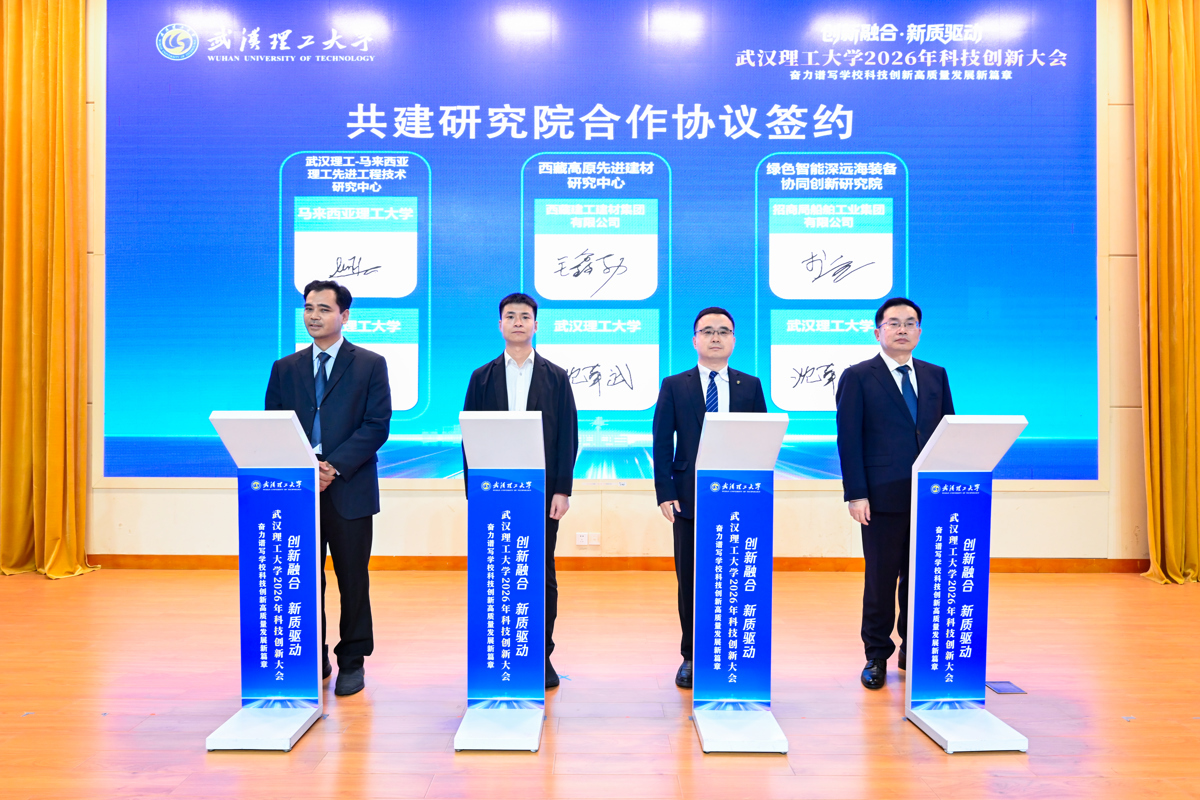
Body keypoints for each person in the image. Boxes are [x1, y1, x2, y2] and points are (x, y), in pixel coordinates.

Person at [265, 280, 391, 697]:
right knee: (301, 577)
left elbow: (376, 425)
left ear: (344, 315)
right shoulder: (285, 368)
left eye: (323, 308)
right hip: (299, 490)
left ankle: (352, 661)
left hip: (349, 487)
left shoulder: (370, 364)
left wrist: (332, 466)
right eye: (308, 308)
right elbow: (275, 426)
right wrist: (305, 467)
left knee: (352, 579)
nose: (313, 315)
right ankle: (311, 656)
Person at [835, 297, 954, 690]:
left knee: (921, 579)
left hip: (928, 496)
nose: (902, 329)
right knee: (881, 579)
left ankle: (913, 649)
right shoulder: (858, 376)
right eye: (893, 323)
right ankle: (876, 655)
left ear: (919, 330)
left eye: (910, 322)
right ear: (878, 331)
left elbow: (948, 432)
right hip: (881, 496)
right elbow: (848, 439)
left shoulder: (936, 375)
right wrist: (856, 493)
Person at [463, 292, 579, 689]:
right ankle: (499, 651)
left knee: (540, 573)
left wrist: (561, 490)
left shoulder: (556, 376)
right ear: (500, 325)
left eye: (524, 316)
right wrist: (474, 491)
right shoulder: (481, 377)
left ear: (535, 325)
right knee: (495, 570)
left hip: (541, 493)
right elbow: (469, 436)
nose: (517, 322)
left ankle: (540, 654)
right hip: (492, 491)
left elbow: (567, 436)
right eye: (510, 316)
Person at [651, 307, 767, 689]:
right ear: (695, 339)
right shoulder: (674, 385)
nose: (716, 337)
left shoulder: (751, 386)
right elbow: (661, 441)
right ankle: (691, 655)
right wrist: (665, 492)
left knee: (737, 576)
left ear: (733, 339)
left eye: (723, 331)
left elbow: (760, 440)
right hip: (688, 497)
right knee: (690, 579)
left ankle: (735, 650)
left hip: (739, 496)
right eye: (708, 331)